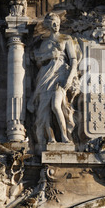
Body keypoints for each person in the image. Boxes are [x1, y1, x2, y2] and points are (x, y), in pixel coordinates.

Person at [27, 12, 78, 144]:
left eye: (58, 23)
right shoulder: (43, 43)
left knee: (56, 106)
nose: (56, 25)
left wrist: (70, 77)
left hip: (60, 75)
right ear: (47, 25)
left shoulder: (65, 39)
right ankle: (51, 138)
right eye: (53, 23)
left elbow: (73, 60)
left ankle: (64, 136)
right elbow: (38, 63)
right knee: (43, 111)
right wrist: (48, 55)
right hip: (44, 75)